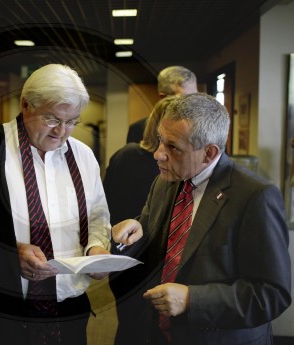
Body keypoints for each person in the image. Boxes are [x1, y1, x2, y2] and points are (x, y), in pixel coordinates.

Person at [0, 63, 142, 345]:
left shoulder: (83, 155)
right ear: (26, 105)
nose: (62, 132)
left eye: (72, 121)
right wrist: (9, 252)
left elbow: (98, 213)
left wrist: (97, 248)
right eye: (51, 118)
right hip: (5, 306)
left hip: (70, 305)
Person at [112, 93, 291, 344]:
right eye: (160, 141)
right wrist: (135, 229)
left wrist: (191, 300)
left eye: (172, 147)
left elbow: (272, 294)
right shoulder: (165, 182)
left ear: (209, 153)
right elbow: (156, 239)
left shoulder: (254, 196)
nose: (158, 154)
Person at [105, 96, 177, 318]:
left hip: (122, 251)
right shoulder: (174, 167)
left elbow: (105, 202)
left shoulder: (123, 155)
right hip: (158, 260)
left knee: (127, 324)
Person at [126, 65, 198, 143]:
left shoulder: (203, 126)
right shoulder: (138, 130)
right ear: (163, 97)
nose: (192, 102)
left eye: (195, 96)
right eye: (184, 98)